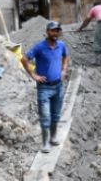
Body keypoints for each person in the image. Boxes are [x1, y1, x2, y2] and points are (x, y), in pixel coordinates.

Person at [21, 21, 69, 153]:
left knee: (56, 114)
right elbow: (24, 59)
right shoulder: (39, 47)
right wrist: (33, 75)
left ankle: (53, 138)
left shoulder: (61, 45)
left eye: (57, 31)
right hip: (44, 88)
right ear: (47, 32)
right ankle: (45, 143)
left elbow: (65, 57)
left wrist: (64, 70)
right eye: (53, 31)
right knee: (45, 116)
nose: (55, 33)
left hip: (58, 86)